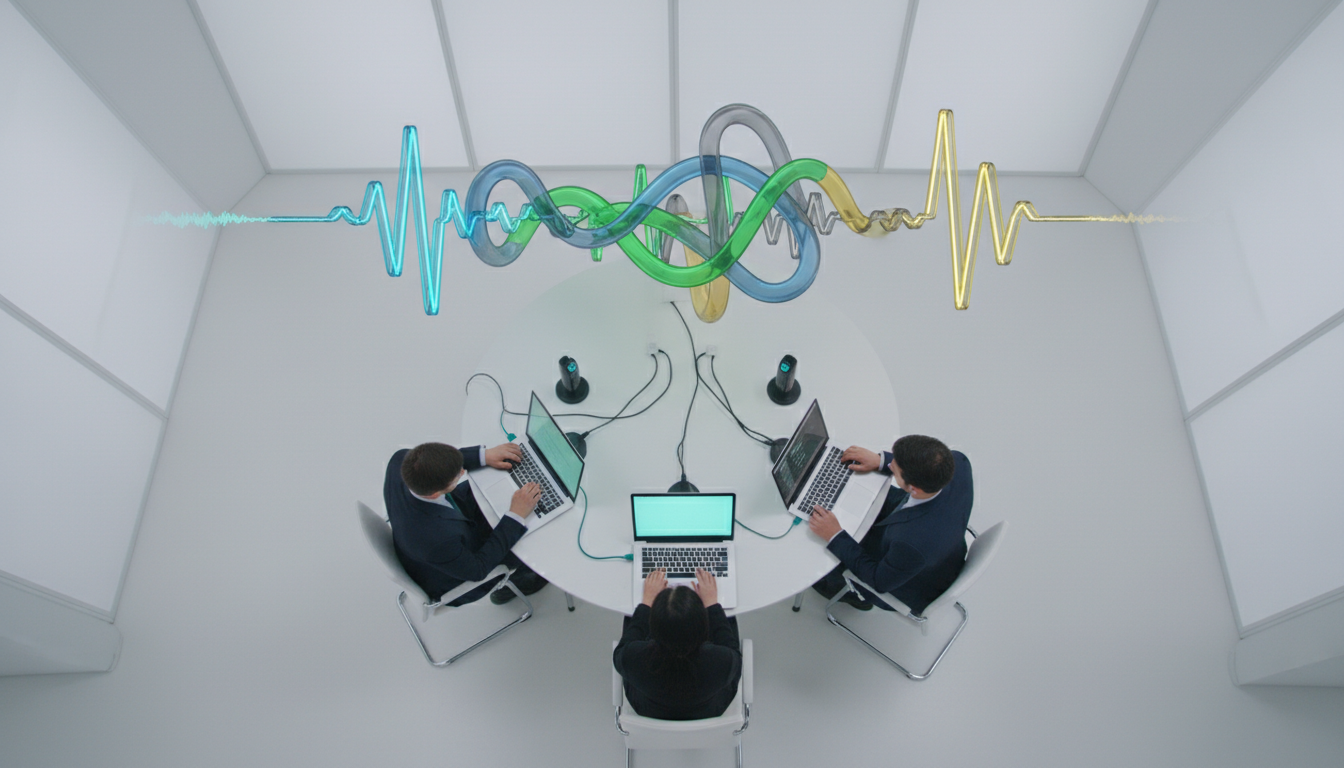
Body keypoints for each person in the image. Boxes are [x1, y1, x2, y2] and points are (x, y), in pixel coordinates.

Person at [809, 435, 972, 614]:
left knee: (818, 556)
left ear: (914, 489)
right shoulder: (958, 462)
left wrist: (834, 534)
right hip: (932, 541)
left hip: (908, 581)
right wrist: (881, 461)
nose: (891, 465)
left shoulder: (912, 543)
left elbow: (878, 581)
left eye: (895, 468)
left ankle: (853, 598)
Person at [384, 442, 547, 606]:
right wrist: (515, 515)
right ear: (434, 494)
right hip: (461, 569)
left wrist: (484, 456)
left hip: (451, 520)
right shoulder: (436, 541)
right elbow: (479, 569)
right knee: (536, 534)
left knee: (492, 479)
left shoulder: (401, 460)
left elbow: (443, 462)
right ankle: (521, 582)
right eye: (457, 476)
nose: (463, 471)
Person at [613, 569, 742, 721]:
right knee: (729, 620)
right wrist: (712, 605)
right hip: (708, 710)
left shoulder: (634, 658)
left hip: (649, 710)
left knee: (632, 619)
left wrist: (647, 602)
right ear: (703, 627)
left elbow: (620, 652)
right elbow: (734, 653)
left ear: (653, 629)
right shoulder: (722, 662)